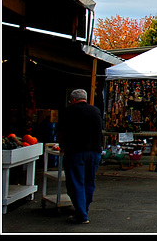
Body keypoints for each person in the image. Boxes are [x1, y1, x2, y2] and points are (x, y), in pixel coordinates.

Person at [57, 89, 103, 224]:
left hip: (76, 151)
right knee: (89, 181)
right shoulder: (96, 111)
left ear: (73, 100)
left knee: (76, 182)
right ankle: (84, 209)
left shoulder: (68, 111)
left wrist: (62, 145)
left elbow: (61, 131)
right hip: (94, 152)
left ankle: (81, 214)